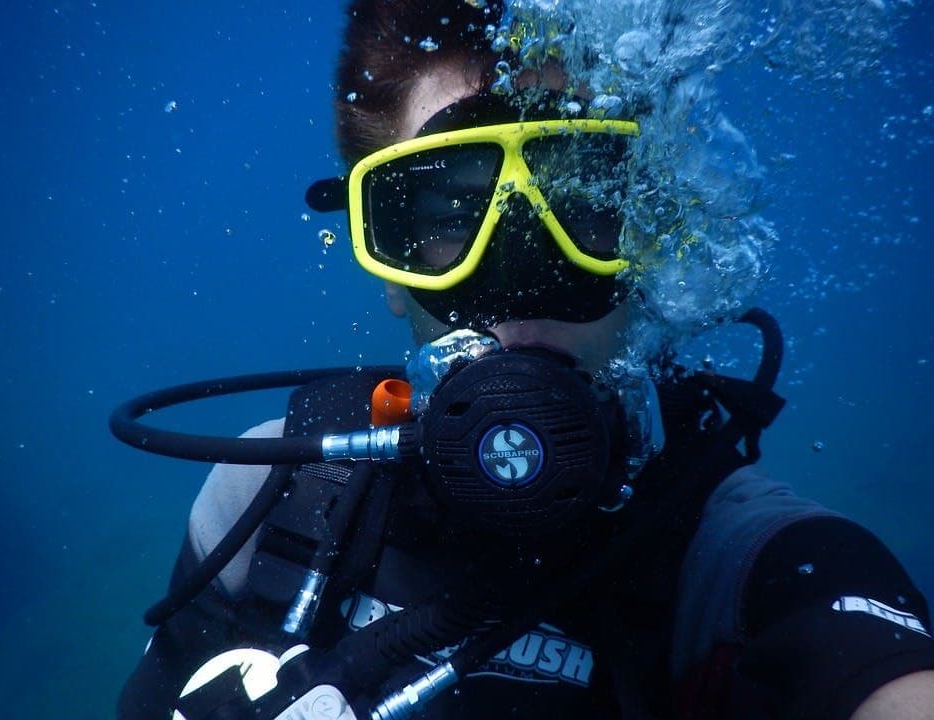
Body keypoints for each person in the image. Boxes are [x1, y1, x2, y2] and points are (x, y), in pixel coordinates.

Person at [116, 1, 934, 718]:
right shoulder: (271, 497)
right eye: (446, 213)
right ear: (390, 275)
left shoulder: (749, 562)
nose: (520, 277)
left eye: (580, 202)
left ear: (648, 234)